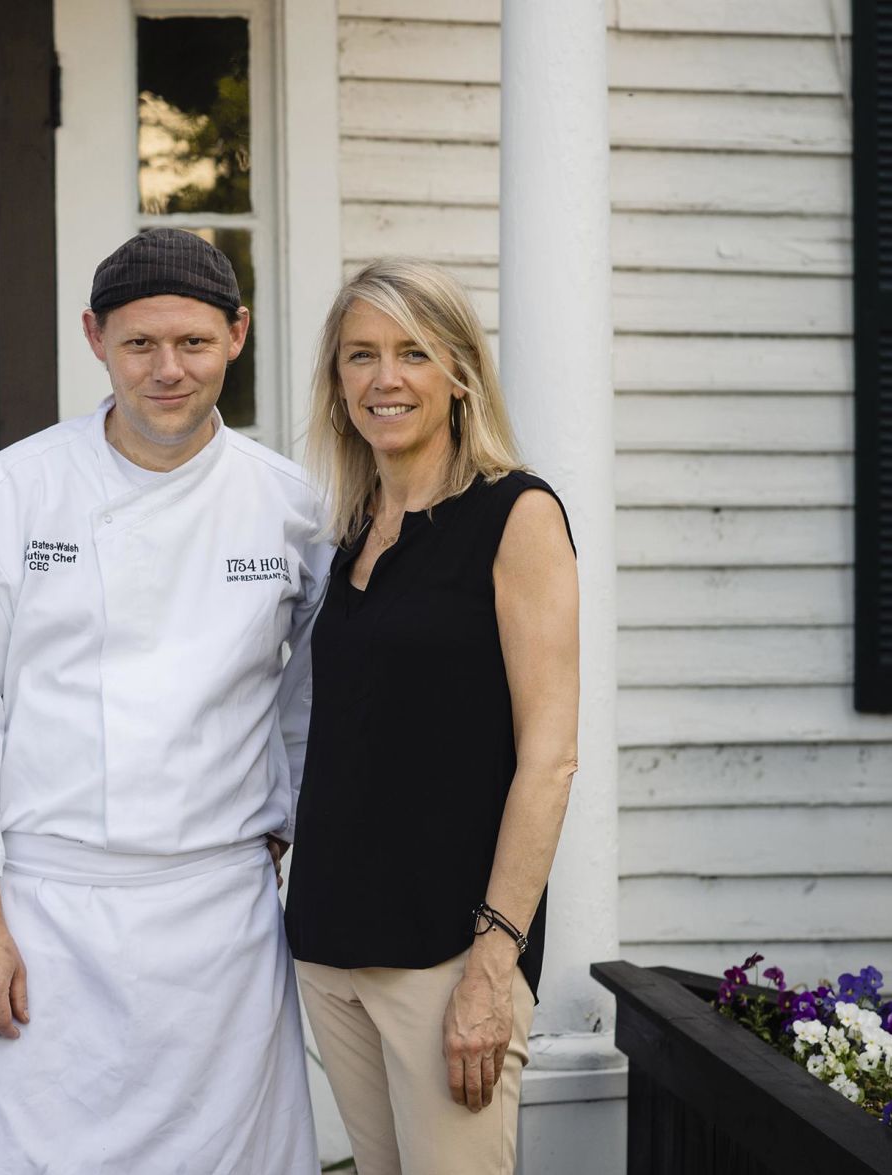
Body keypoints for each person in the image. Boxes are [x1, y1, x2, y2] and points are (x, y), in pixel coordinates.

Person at [0, 228, 328, 1173]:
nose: (167, 369)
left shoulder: (287, 503)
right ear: (94, 338)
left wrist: (287, 816)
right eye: (140, 344)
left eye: (192, 342)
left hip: (218, 919)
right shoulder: (18, 488)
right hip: (38, 913)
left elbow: (309, 692)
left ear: (237, 334)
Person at [282, 258, 580, 1175]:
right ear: (336, 383)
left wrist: (493, 963)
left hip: (446, 956)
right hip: (329, 948)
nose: (384, 378)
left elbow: (549, 760)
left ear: (458, 372)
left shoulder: (514, 515)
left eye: (412, 352)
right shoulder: (352, 529)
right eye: (359, 355)